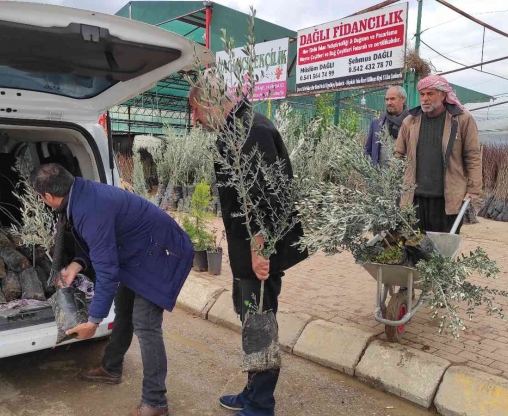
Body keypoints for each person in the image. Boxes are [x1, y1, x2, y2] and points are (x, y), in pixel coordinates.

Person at [188, 70, 308, 416]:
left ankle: (260, 405)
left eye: (196, 110)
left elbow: (264, 196)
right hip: (249, 250)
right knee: (250, 317)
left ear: (210, 102)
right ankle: (253, 390)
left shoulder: (251, 130)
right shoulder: (237, 127)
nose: (196, 119)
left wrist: (259, 250)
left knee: (259, 322)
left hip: (260, 250)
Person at [32, 163, 194, 416]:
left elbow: (107, 271)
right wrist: (76, 264)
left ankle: (156, 403)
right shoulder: (81, 195)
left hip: (163, 254)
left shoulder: (89, 209)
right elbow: (99, 243)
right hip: (139, 253)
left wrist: (93, 321)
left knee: (146, 325)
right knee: (124, 309)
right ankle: (111, 368)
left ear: (49, 197)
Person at [395, 75, 482, 234]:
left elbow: (473, 155)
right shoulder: (410, 121)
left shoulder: (461, 119)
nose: (425, 98)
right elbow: (398, 154)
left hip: (447, 198)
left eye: (430, 94)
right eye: (422, 94)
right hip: (415, 198)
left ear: (443, 95)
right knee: (414, 247)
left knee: (441, 250)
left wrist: (474, 188)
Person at [365, 85, 410, 167]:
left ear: (403, 99)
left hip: (403, 176)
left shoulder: (413, 122)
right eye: (387, 99)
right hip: (379, 176)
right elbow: (368, 150)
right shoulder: (377, 123)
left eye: (392, 99)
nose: (388, 103)